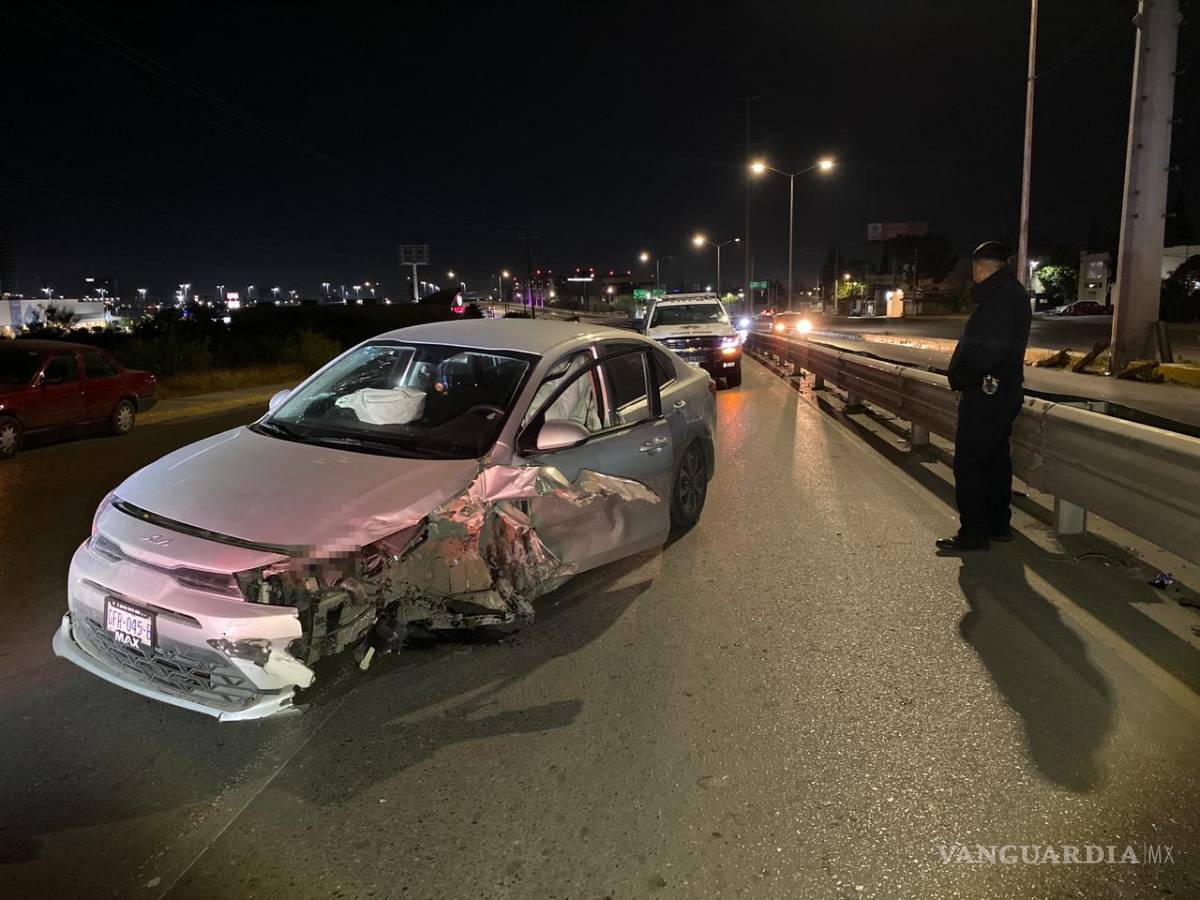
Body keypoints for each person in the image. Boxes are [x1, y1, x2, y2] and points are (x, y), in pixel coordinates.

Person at [936, 241, 1032, 552]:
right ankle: (997, 524)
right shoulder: (1010, 293)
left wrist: (963, 376)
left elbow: (992, 348)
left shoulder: (1000, 298)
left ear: (979, 268)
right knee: (994, 460)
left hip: (988, 392)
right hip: (1000, 391)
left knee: (970, 462)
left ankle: (973, 533)